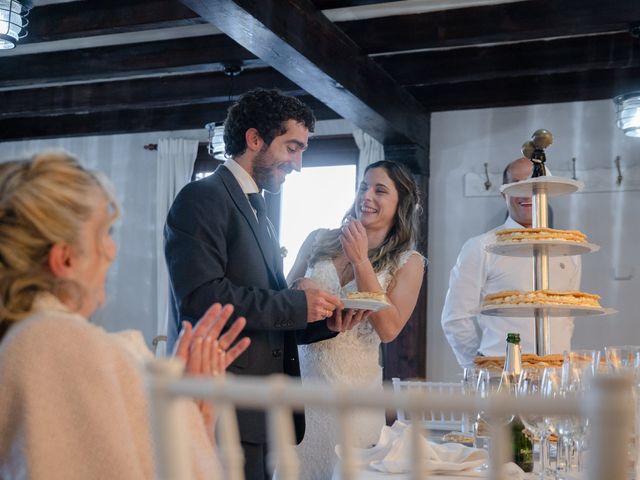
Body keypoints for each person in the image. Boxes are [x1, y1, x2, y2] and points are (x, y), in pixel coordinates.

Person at [0, 151, 251, 479]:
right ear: (65, 260)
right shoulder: (55, 342)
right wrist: (188, 416)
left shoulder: (33, 339)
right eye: (104, 234)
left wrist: (192, 414)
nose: (113, 250)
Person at [164, 89, 356, 480]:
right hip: (223, 402)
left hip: (263, 407)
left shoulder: (258, 208)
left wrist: (321, 321)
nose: (299, 164)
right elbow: (203, 300)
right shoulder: (201, 198)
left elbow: (263, 308)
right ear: (254, 140)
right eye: (292, 147)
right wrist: (297, 305)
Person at [285, 160, 425, 479]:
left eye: (380, 190)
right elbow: (282, 300)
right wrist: (297, 287)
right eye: (364, 187)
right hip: (303, 391)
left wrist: (361, 261)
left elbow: (389, 329)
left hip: (355, 400)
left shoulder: (410, 262)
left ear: (400, 203)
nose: (367, 196)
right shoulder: (318, 240)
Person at [441, 157, 581, 368]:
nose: (527, 192)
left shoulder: (569, 249)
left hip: (557, 374)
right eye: (518, 184)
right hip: (502, 378)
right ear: (504, 192)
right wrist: (479, 368)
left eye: (535, 184)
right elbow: (455, 318)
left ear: (547, 191)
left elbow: (568, 317)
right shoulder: (481, 246)